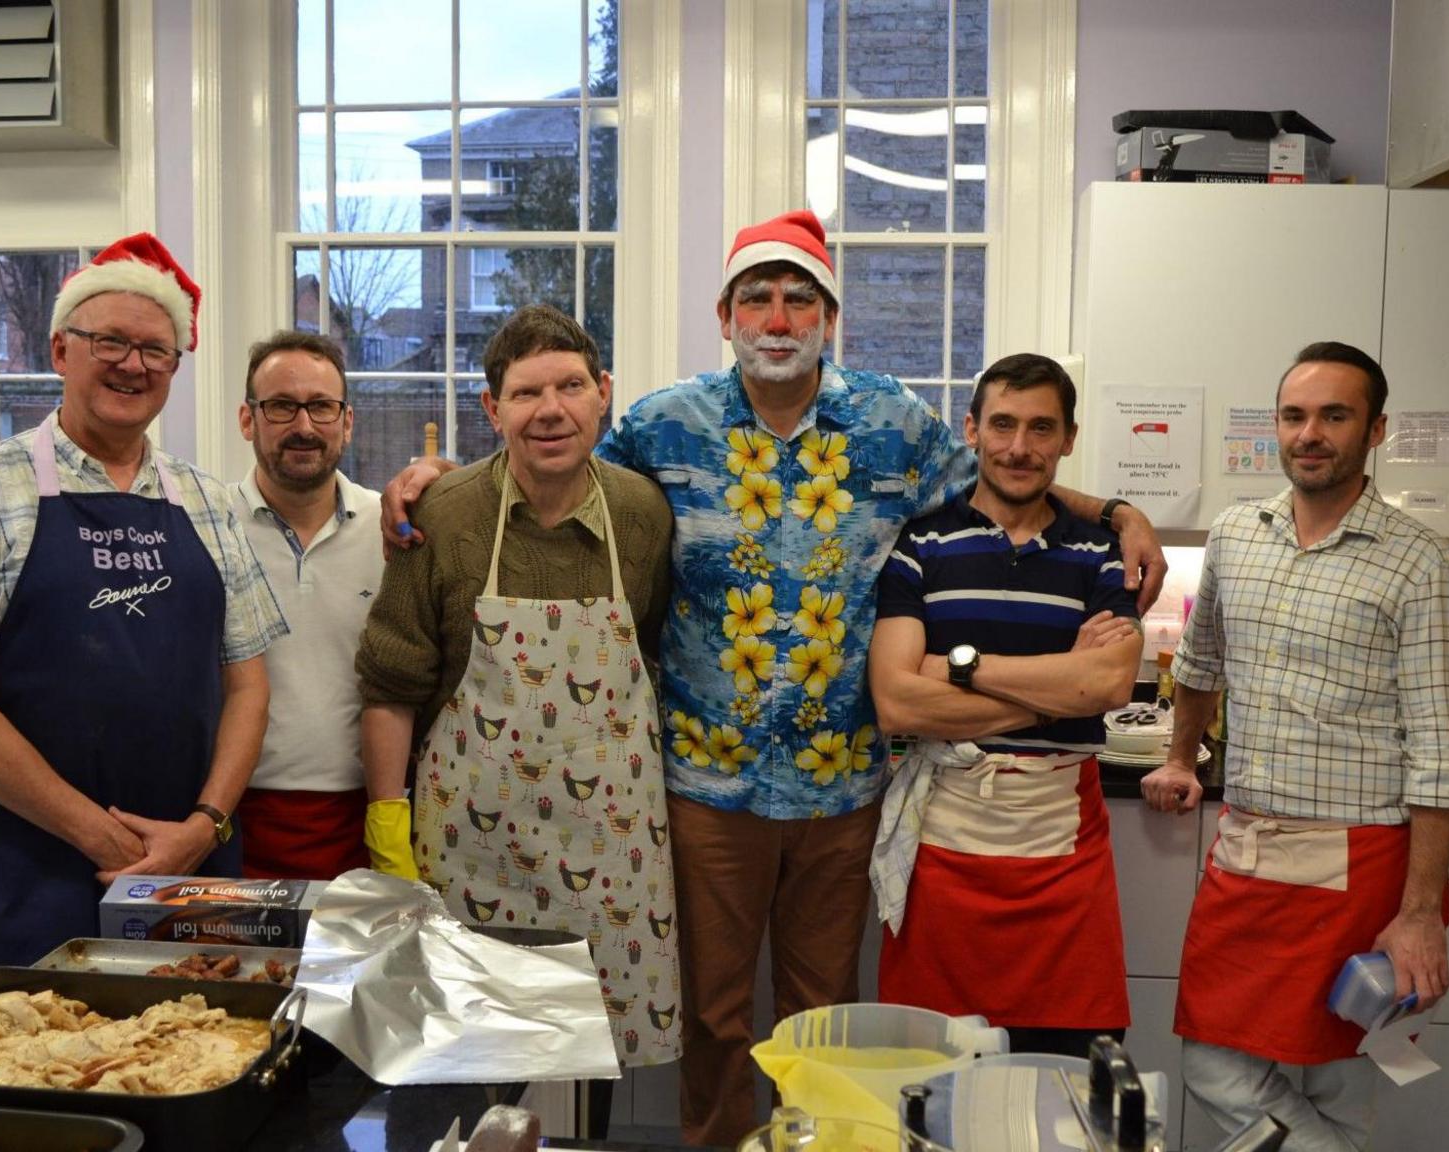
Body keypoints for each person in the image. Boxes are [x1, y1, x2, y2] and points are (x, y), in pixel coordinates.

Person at [382, 211, 1168, 1145]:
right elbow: (548, 466)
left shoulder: (894, 423)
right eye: (758, 296)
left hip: (845, 786)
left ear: (830, 317)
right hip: (705, 787)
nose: (779, 316)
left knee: (822, 1015)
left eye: (801, 298)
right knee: (713, 1018)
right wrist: (429, 477)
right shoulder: (664, 425)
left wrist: (1118, 510)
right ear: (726, 314)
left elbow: (1006, 477)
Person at [0, 233, 287, 967]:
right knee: (36, 1067)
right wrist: (109, 842)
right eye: (110, 340)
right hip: (35, 873)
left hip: (189, 872)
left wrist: (202, 826)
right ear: (60, 349)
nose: (133, 364)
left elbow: (250, 686)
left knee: (198, 1057)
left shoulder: (205, 500)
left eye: (156, 350)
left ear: (173, 368)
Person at [1140, 342, 1449, 1150]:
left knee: (1341, 1085)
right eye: (1295, 415)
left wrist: (1421, 913)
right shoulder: (1235, 533)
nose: (1311, 433)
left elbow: (1445, 755)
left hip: (1360, 869)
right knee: (1213, 1065)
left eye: (1335, 415)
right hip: (1249, 851)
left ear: (1376, 429)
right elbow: (1200, 661)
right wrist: (1183, 757)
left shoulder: (1420, 564)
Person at [355, 306, 680, 1086]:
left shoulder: (643, 514)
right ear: (491, 409)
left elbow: (656, 657)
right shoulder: (442, 513)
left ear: (603, 394)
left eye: (571, 386)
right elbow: (391, 684)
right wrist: (386, 824)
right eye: (527, 392)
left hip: (610, 852)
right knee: (458, 1069)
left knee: (582, 1077)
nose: (551, 410)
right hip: (469, 850)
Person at [868, 353, 1142, 1057]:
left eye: (1041, 428)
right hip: (945, 855)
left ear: (1069, 439)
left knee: (1065, 1082)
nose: (1020, 448)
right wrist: (1057, 697)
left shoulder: (1101, 552)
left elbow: (1109, 684)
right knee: (930, 1079)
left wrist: (960, 669)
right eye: (1004, 425)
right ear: (971, 429)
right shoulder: (922, 545)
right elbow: (898, 701)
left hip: (1063, 862)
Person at [230, 330, 384, 879]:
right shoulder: (205, 527)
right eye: (281, 406)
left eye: (321, 406)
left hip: (364, 819)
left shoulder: (392, 529)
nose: (303, 426)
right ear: (248, 419)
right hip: (231, 819)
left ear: (347, 420)